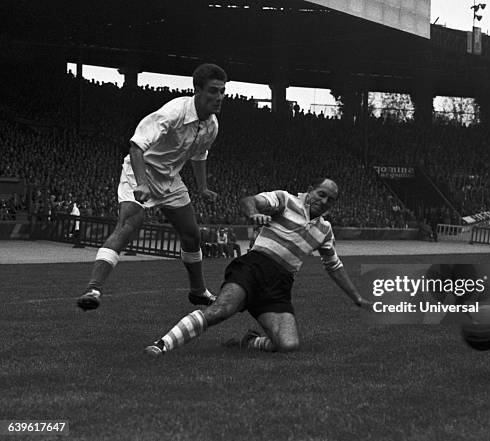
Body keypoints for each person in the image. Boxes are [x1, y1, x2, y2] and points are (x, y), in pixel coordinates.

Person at [145, 178, 372, 355]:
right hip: (253, 267)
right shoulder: (285, 200)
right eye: (321, 194)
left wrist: (357, 298)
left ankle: (250, 341)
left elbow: (333, 265)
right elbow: (249, 200)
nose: (323, 201)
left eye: (330, 200)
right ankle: (163, 344)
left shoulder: (325, 230)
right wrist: (254, 213)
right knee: (219, 311)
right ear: (311, 190)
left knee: (288, 345)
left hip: (280, 284)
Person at [77, 63, 227, 311]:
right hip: (140, 171)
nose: (219, 97)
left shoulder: (212, 125)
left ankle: (198, 291)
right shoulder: (173, 112)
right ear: (197, 90)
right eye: (213, 91)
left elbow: (199, 155)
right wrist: (143, 184)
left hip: (170, 179)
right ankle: (93, 289)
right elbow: (136, 147)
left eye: (222, 91)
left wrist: (203, 188)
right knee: (128, 225)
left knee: (192, 234)